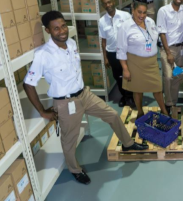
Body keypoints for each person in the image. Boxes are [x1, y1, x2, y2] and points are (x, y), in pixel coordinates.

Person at [23, 11, 148, 185]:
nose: (62, 31)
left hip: (85, 95)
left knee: (112, 115)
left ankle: (127, 143)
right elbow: (28, 84)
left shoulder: (72, 43)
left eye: (63, 26)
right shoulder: (43, 55)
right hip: (66, 103)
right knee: (69, 141)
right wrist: (42, 111)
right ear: (48, 30)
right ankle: (75, 169)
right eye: (56, 28)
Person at [117, 0, 168, 117]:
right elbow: (121, 50)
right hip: (135, 62)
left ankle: (164, 111)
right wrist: (125, 69)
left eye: (144, 13)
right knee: (137, 89)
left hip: (152, 62)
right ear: (133, 10)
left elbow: (153, 38)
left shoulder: (150, 22)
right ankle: (140, 112)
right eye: (139, 12)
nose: (142, 16)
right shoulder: (125, 27)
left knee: (157, 88)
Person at [157, 0, 183, 113]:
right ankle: (168, 104)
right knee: (168, 76)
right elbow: (162, 33)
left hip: (180, 49)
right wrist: (168, 53)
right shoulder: (163, 11)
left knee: (177, 75)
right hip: (167, 49)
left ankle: (173, 103)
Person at [99, 0, 133, 107]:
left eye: (109, 2)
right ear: (103, 5)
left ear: (113, 1)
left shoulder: (126, 15)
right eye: (105, 3)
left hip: (126, 51)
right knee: (118, 76)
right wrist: (105, 57)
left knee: (129, 75)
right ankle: (124, 96)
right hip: (112, 53)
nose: (108, 5)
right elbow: (103, 41)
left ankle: (131, 96)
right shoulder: (102, 21)